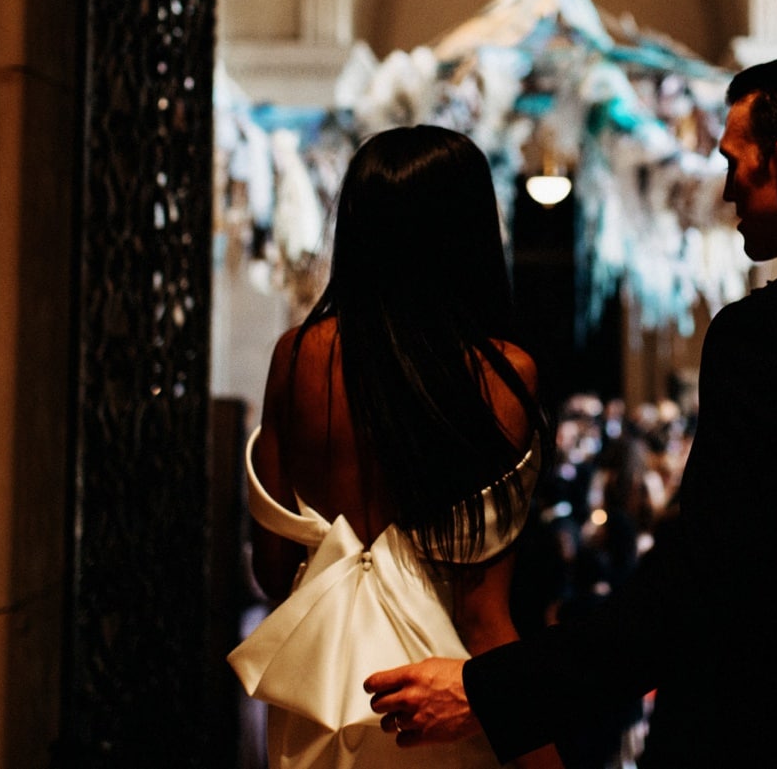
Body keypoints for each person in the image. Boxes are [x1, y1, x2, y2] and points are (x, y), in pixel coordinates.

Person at [365, 52, 777, 766]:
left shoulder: (764, 335)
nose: (727, 188)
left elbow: (702, 584)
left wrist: (487, 689)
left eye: (734, 161)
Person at [230, 125, 564, 769]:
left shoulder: (297, 356)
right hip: (438, 701)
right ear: (468, 232)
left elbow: (273, 572)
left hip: (318, 697)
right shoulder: (500, 376)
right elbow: (483, 614)